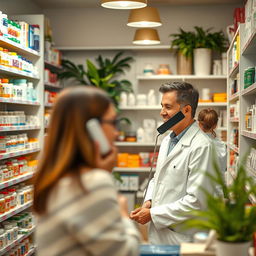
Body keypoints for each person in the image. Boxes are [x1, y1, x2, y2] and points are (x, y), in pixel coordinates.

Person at [33, 86, 140, 256]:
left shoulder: (54, 177)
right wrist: (123, 214)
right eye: (113, 123)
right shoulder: (92, 183)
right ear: (92, 129)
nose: (116, 132)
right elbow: (127, 253)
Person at [130, 81, 215, 245]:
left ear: (186, 110)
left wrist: (153, 214)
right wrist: (149, 202)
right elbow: (158, 178)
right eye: (162, 106)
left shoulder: (202, 146)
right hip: (160, 233)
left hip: (181, 237)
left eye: (168, 107)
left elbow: (196, 201)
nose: (162, 113)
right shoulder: (168, 140)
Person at [198, 108, 227, 173]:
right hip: (217, 182)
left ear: (199, 124)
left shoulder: (196, 143)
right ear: (215, 125)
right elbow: (223, 168)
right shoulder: (222, 145)